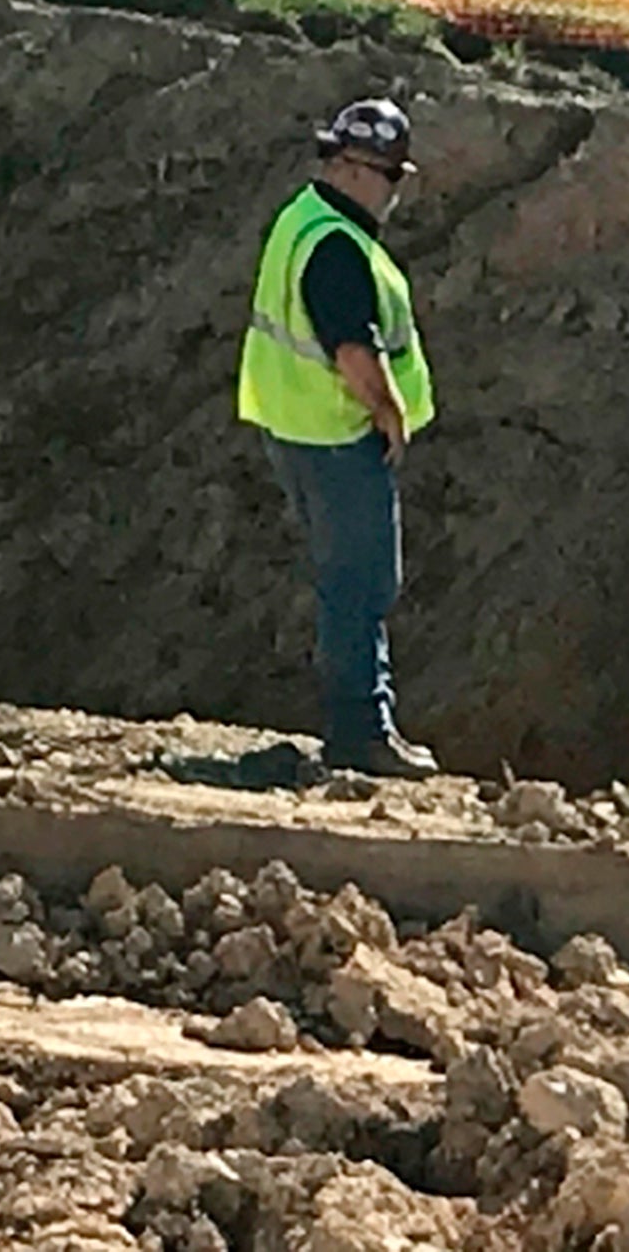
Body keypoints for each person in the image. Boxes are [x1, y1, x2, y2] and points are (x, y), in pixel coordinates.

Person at [237, 97, 441, 779]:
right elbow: (354, 348)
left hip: (296, 426)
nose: (394, 192)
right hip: (335, 434)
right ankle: (362, 731)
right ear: (354, 169)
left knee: (344, 582)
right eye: (390, 177)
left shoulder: (304, 219)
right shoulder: (337, 245)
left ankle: (359, 723)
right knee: (361, 582)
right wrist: (388, 412)